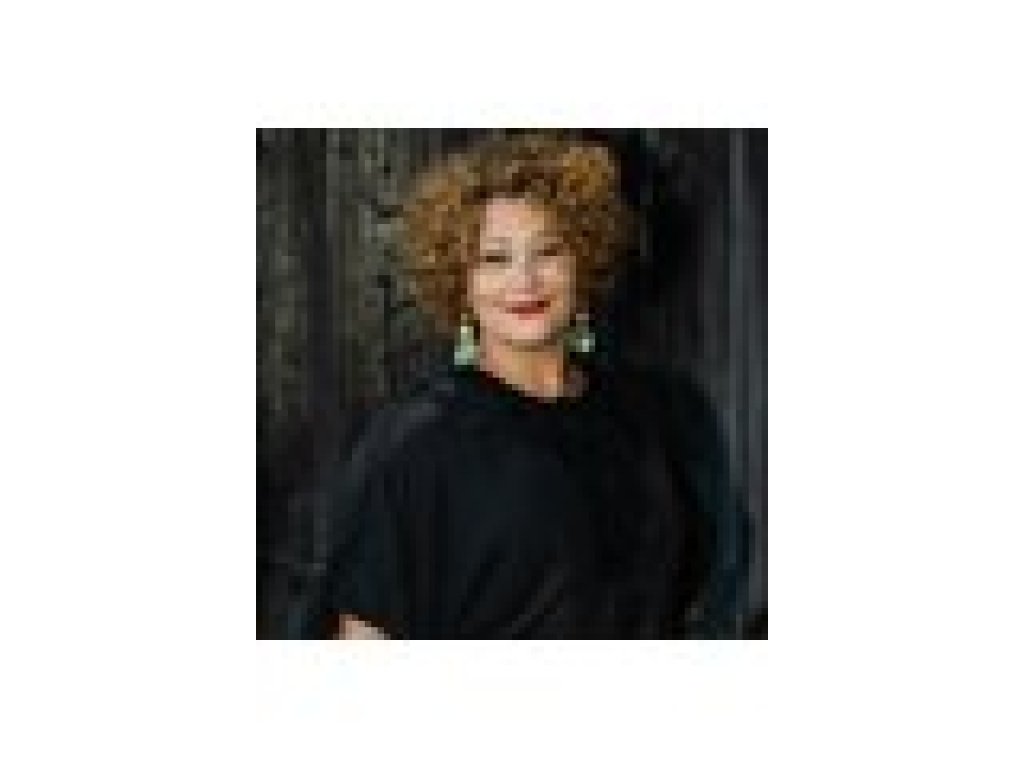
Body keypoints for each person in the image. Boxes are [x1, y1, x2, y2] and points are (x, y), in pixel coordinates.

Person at [304, 132, 729, 639]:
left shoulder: (641, 417)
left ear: (583, 262)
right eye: (494, 258)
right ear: (460, 280)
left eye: (548, 251)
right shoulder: (417, 442)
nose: (524, 280)